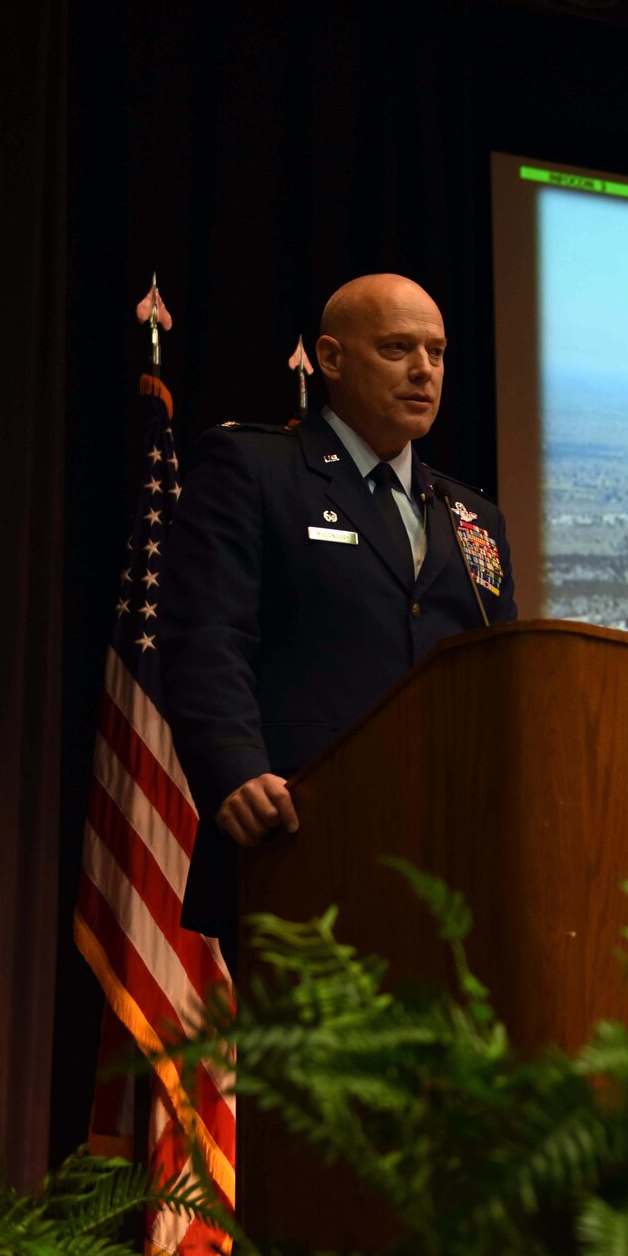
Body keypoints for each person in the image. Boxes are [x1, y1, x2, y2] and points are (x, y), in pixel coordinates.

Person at [159, 274, 518, 953]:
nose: (424, 371)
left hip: (449, 869)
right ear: (331, 358)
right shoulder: (256, 468)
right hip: (296, 841)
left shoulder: (472, 517)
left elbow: (496, 679)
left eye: (437, 352)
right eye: (397, 348)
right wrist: (233, 766)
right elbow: (209, 635)